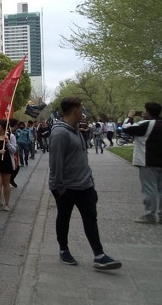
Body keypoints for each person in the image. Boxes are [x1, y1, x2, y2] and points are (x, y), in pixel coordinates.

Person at [49, 97, 122, 270]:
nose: (83, 112)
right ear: (74, 110)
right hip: (66, 187)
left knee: (90, 218)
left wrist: (90, 181)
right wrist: (60, 187)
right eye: (81, 108)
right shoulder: (60, 133)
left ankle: (99, 255)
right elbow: (55, 163)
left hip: (85, 186)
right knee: (64, 218)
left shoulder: (75, 130)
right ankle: (63, 250)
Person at [121, 103, 162, 224]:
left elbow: (126, 128)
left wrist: (130, 117)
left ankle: (150, 215)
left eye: (144, 112)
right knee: (160, 189)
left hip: (148, 161)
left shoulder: (146, 124)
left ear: (148, 112)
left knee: (149, 189)